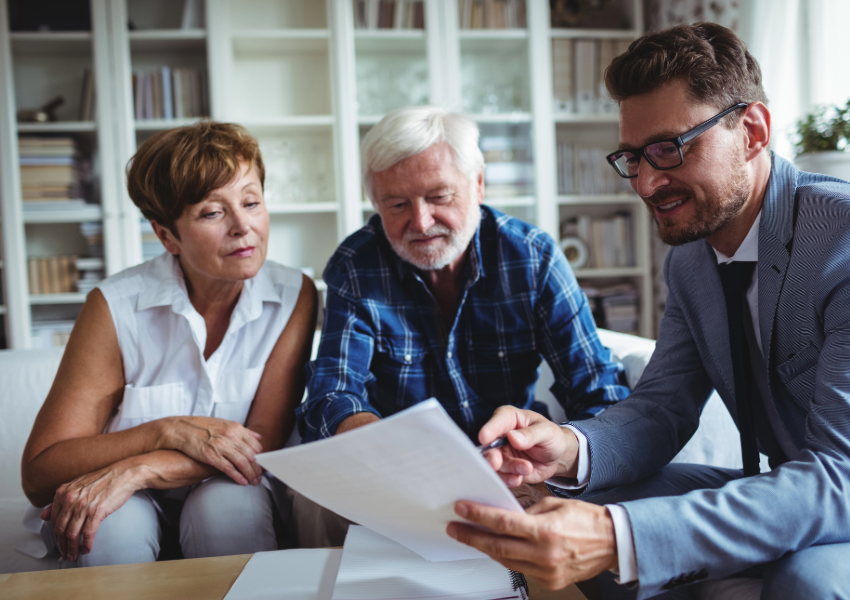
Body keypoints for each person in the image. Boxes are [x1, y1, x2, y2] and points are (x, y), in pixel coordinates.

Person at [445, 22, 850, 599]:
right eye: (633, 157)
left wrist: (619, 538)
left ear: (753, 131)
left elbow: (840, 479)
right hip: (786, 485)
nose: (647, 182)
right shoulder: (691, 261)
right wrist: (565, 448)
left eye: (669, 148)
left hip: (840, 489)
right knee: (578, 501)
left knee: (806, 579)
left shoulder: (840, 241)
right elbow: (662, 409)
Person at [294, 106, 628, 531]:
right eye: (396, 204)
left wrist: (552, 474)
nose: (421, 221)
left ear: (479, 184)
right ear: (375, 202)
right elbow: (331, 395)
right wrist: (377, 443)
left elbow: (600, 393)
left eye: (438, 197)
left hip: (514, 472)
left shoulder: (533, 257)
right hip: (398, 479)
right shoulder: (356, 264)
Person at [20, 121, 318, 567]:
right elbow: (41, 473)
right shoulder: (115, 306)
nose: (243, 227)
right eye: (212, 213)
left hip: (226, 487)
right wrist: (166, 430)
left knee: (227, 507)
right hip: (127, 501)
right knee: (111, 528)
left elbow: (261, 446)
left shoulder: (295, 295)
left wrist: (139, 467)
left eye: (251, 202)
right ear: (166, 236)